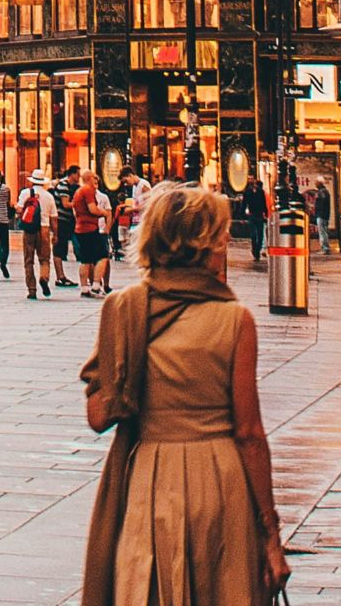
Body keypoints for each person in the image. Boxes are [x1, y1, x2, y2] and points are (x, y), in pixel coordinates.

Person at [79, 183, 291, 605]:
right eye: (221, 234)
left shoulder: (124, 309)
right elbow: (249, 433)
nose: (226, 242)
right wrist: (271, 535)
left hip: (149, 477)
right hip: (220, 479)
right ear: (204, 245)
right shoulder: (235, 320)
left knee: (148, 585)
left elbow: (99, 416)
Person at [72, 170, 113, 299]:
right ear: (89, 178)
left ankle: (84, 288)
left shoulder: (78, 192)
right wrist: (104, 213)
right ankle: (96, 285)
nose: (96, 181)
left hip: (80, 228)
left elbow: (75, 210)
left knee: (85, 259)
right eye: (94, 178)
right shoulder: (88, 191)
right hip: (90, 228)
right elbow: (92, 209)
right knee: (103, 256)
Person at [19, 170, 57, 300]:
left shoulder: (25, 193)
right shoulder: (49, 196)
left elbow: (18, 209)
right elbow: (54, 218)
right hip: (44, 229)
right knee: (44, 258)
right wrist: (55, 234)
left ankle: (32, 289)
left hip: (29, 228)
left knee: (28, 260)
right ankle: (44, 277)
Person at [51, 166, 81, 288]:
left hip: (67, 220)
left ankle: (61, 276)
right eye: (78, 174)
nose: (78, 177)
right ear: (72, 174)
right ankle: (60, 276)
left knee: (62, 247)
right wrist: (79, 203)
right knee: (59, 248)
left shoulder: (68, 186)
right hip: (62, 220)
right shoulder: (63, 185)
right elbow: (65, 204)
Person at [239, 175, 269, 261]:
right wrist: (242, 216)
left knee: (260, 235)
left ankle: (257, 250)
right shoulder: (247, 192)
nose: (250, 180)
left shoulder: (260, 191)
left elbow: (263, 203)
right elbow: (244, 204)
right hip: (252, 215)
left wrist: (265, 212)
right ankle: (255, 250)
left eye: (251, 178)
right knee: (253, 235)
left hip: (259, 215)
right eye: (249, 179)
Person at [313, 180, 335, 253]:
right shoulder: (325, 192)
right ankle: (325, 247)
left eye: (316, 183)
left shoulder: (321, 192)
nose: (315, 185)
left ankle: (325, 248)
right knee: (324, 231)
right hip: (324, 215)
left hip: (321, 215)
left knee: (322, 232)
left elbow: (320, 204)